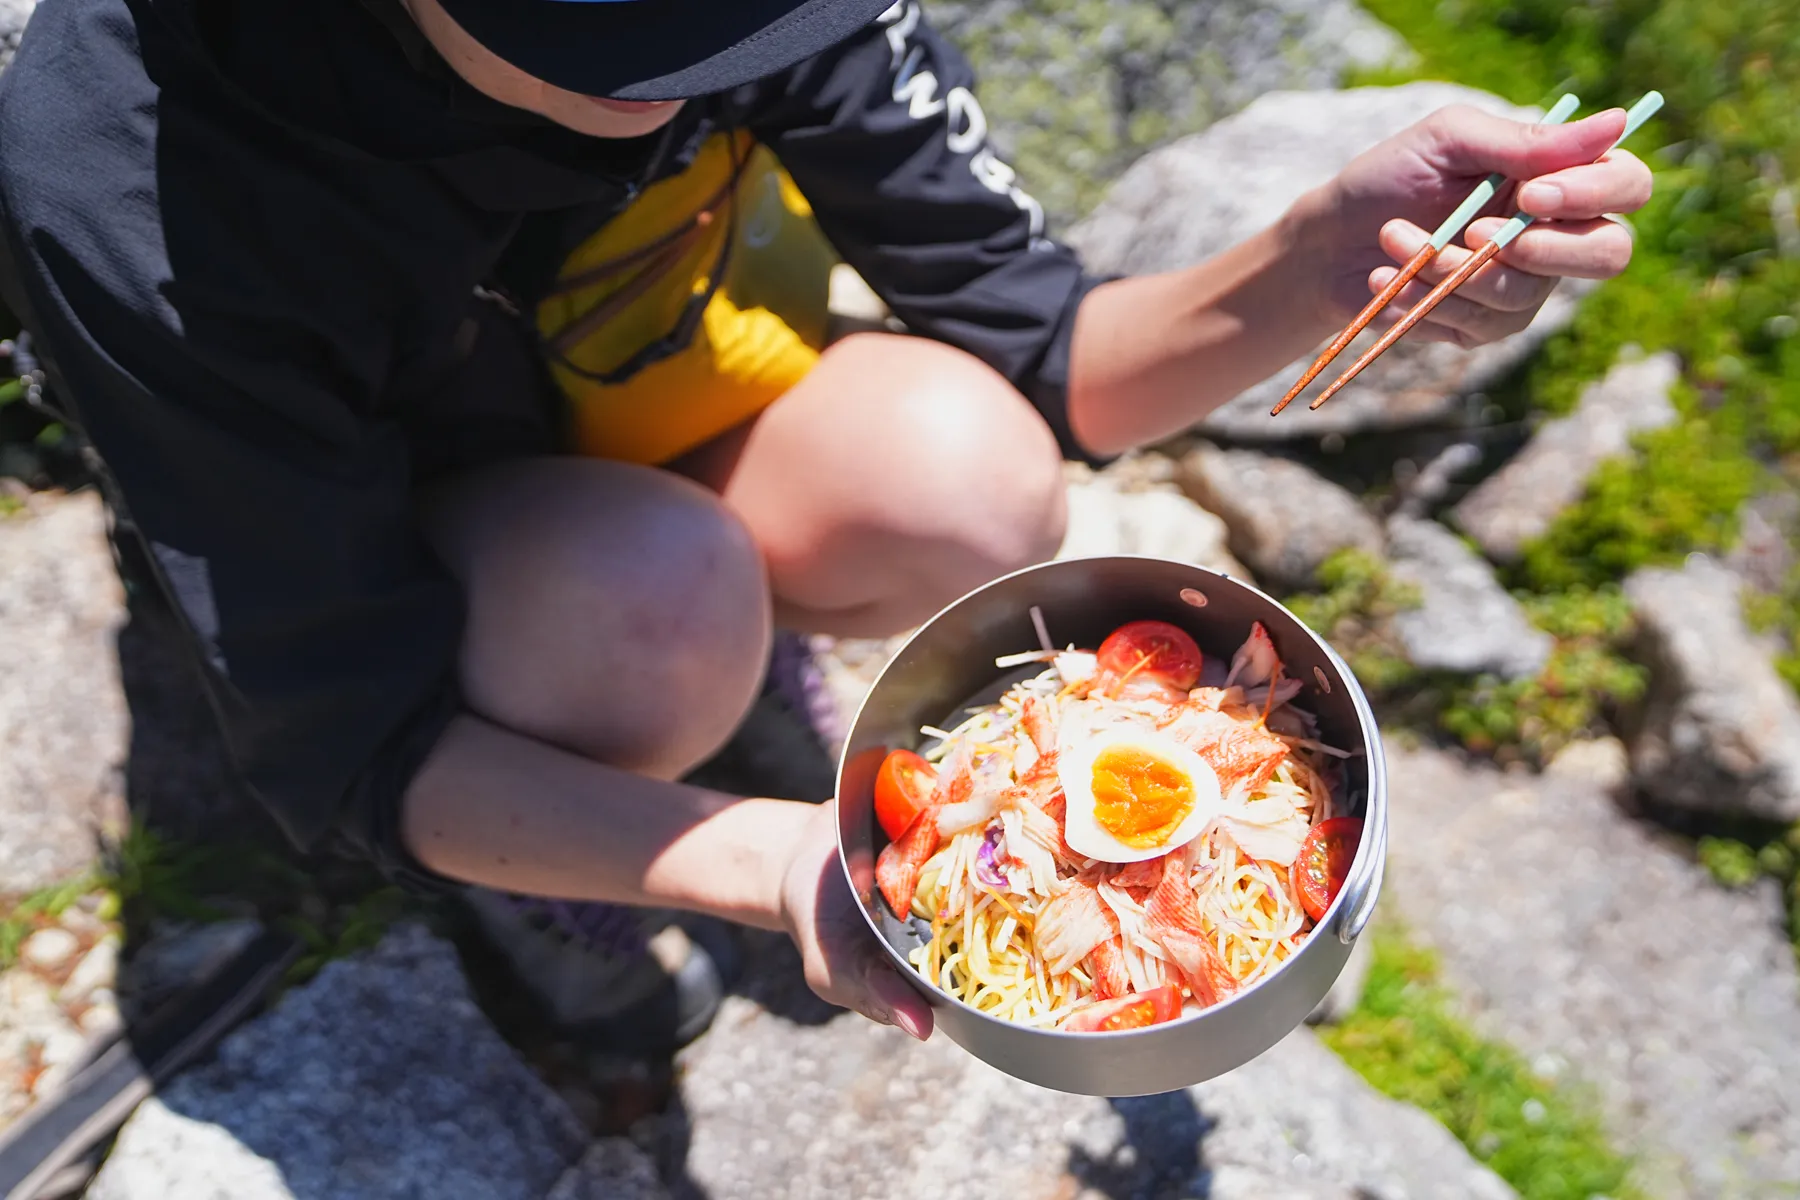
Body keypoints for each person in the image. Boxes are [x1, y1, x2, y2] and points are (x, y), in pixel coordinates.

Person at [0, 0, 1651, 1046]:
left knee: (971, 480)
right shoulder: (134, 183)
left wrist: (1325, 247)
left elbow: (1050, 354)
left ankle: (677, 698)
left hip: (655, 386)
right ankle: (565, 836)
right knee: (655, 614)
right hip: (403, 529)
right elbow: (347, 746)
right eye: (638, 35)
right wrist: (778, 859)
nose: (718, 58)